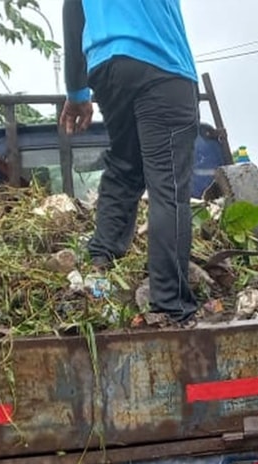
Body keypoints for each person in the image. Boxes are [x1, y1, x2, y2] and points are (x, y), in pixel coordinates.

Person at [59, 0, 199, 327]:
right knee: (169, 186)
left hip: (106, 66)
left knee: (125, 168)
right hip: (160, 61)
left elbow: (73, 10)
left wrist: (77, 91)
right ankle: (171, 306)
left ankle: (98, 276)